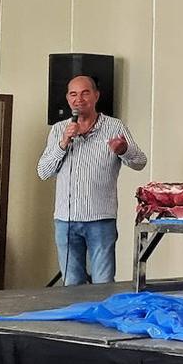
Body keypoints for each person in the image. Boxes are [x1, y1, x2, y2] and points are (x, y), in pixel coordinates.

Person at [36, 75, 146, 285]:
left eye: (85, 93)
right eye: (73, 94)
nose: (79, 99)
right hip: (65, 220)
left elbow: (140, 162)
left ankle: (99, 318)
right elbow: (43, 171)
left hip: (100, 218)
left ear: (96, 96)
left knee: (103, 283)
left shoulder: (115, 127)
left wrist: (124, 150)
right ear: (68, 99)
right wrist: (63, 143)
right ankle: (76, 318)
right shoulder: (60, 129)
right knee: (71, 283)